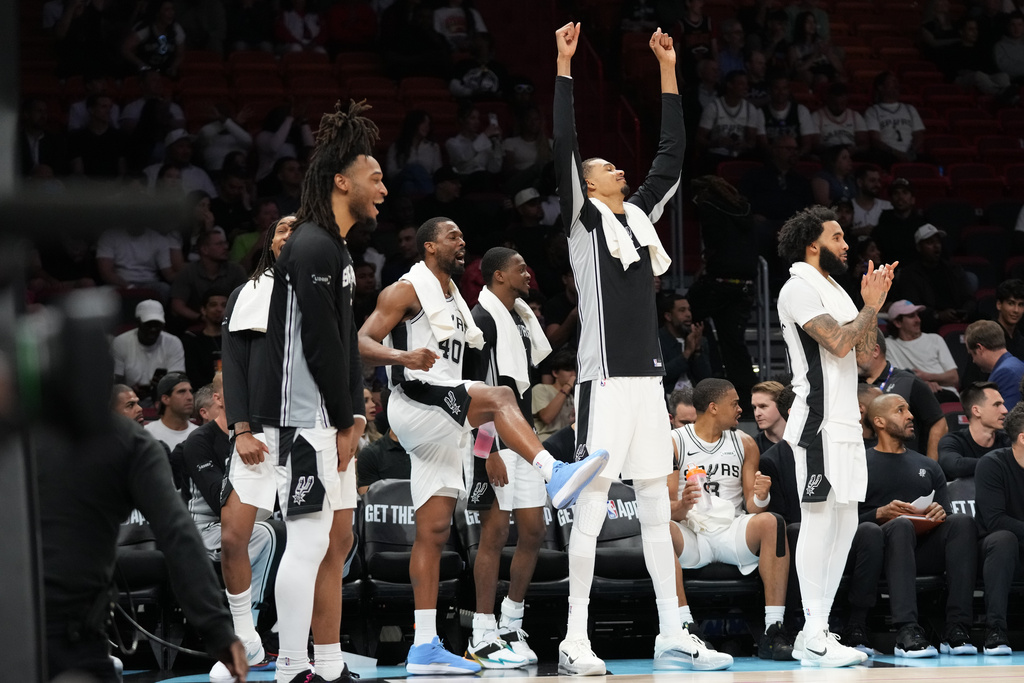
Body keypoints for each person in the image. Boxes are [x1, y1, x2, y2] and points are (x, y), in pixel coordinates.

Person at [357, 216, 609, 674]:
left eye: (462, 235)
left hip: (444, 416)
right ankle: (553, 470)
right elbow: (361, 341)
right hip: (414, 400)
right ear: (429, 246)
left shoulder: (455, 300)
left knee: (433, 531)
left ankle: (424, 647)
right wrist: (402, 355)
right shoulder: (405, 290)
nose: (462, 242)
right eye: (452, 236)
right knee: (500, 398)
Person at [553, 23, 718, 674]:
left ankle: (672, 630)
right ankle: (574, 637)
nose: (617, 168)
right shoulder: (583, 222)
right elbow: (564, 144)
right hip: (603, 382)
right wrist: (564, 65)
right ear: (589, 186)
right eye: (604, 168)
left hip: (649, 383)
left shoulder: (641, 214)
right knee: (592, 512)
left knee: (655, 506)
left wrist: (668, 69)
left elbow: (672, 153)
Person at [252, 100, 384, 683]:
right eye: (374, 177)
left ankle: (327, 665)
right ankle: (289, 668)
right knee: (307, 541)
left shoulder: (335, 247)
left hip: (327, 416)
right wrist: (345, 416)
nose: (383, 188)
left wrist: (352, 414)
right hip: (305, 416)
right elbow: (321, 344)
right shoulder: (310, 245)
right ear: (342, 182)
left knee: (334, 539)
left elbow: (343, 340)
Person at [40, 408, 247, 683]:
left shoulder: (123, 439)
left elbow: (178, 535)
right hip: (71, 630)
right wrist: (218, 630)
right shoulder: (124, 438)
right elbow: (178, 534)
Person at [776, 204, 897, 667]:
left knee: (845, 527)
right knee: (819, 523)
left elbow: (864, 355)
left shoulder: (837, 290)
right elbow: (839, 341)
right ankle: (811, 631)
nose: (847, 245)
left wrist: (871, 307)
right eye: (838, 237)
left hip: (847, 424)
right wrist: (870, 307)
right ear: (813, 245)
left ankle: (819, 631)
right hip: (818, 424)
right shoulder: (797, 288)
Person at [218, 214, 304, 678]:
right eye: (283, 228)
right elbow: (233, 364)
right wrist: (241, 429)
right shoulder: (247, 293)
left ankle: (296, 644)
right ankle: (244, 639)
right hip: (258, 434)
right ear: (270, 242)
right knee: (233, 537)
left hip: (307, 429)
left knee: (312, 543)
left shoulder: (320, 290)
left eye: (298, 228)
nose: (289, 234)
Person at [463, 247, 554, 668]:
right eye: (520, 268)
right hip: (492, 442)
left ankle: (511, 621)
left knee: (534, 531)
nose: (528, 274)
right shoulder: (482, 320)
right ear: (499, 275)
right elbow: (475, 390)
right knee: (495, 534)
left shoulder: (520, 318)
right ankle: (482, 631)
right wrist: (488, 451)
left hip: (523, 437)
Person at [669, 378, 793, 663]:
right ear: (714, 407)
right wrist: (683, 505)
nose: (741, 409)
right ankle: (685, 626)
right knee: (659, 530)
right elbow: (666, 509)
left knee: (772, 522)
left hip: (730, 531)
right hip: (691, 532)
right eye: (735, 403)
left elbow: (753, 507)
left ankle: (773, 630)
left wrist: (761, 496)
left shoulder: (745, 443)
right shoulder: (674, 442)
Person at [758, 385, 884, 656]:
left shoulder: (841, 452)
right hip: (802, 536)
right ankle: (802, 629)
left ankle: (854, 626)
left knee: (867, 531)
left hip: (837, 533)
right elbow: (781, 517)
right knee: (798, 530)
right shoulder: (773, 459)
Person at [860, 393, 980, 658]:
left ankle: (956, 628)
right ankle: (906, 630)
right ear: (879, 421)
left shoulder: (928, 465)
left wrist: (940, 512)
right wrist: (879, 513)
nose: (910, 415)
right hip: (875, 553)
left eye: (909, 410)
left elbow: (946, 515)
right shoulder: (859, 464)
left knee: (961, 523)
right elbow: (844, 522)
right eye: (900, 410)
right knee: (901, 526)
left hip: (922, 551)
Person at [182, 373, 279, 678]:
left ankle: (283, 631)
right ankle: (248, 631)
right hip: (206, 529)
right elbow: (217, 501)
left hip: (254, 521)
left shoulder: (265, 436)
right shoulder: (199, 441)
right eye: (237, 390)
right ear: (218, 398)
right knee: (264, 535)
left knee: (302, 533)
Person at [685, 176, 758, 402]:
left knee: (686, 313)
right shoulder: (743, 208)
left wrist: (705, 265)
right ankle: (746, 395)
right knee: (733, 341)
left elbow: (713, 242)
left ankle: (709, 368)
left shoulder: (708, 207)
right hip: (745, 284)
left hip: (719, 279)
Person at [972, 401, 1024, 656]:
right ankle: (995, 630)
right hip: (995, 551)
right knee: (1004, 539)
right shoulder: (992, 464)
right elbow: (995, 521)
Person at [857, 328, 948, 460]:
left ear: (875, 351)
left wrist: (930, 464)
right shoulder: (852, 384)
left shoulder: (909, 382)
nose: (852, 357)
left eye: (856, 351)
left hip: (905, 463)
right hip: (862, 462)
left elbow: (938, 423)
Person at [897, 224, 974, 331]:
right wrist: (938, 315)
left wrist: (965, 312)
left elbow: (969, 298)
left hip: (959, 320)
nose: (936, 246)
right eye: (930, 243)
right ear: (919, 247)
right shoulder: (909, 274)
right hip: (928, 325)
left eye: (938, 242)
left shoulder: (953, 269)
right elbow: (912, 306)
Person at [110, 300, 186, 402]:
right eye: (148, 324)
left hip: (164, 400)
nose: (153, 329)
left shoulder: (173, 342)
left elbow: (178, 380)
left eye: (157, 324)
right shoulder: (121, 342)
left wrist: (163, 384)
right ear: (138, 323)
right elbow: (116, 380)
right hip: (127, 399)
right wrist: (129, 390)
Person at [884, 299, 960, 401]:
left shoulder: (935, 339)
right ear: (898, 323)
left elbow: (954, 378)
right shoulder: (888, 345)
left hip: (945, 393)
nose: (918, 320)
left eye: (918, 315)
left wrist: (927, 377)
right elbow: (894, 379)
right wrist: (923, 385)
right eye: (912, 316)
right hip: (913, 395)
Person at [171, 231, 248, 325]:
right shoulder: (188, 271)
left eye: (225, 243)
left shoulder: (236, 270)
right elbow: (177, 305)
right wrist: (201, 317)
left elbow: (244, 302)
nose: (225, 247)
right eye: (219, 244)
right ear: (204, 249)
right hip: (196, 323)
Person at [938, 381, 1010, 480]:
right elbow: (953, 466)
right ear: (976, 411)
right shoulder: (953, 441)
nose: (1005, 410)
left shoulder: (1008, 440)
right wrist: (1002, 463)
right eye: (997, 405)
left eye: (1002, 404)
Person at [864, 72, 925, 166]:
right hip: (887, 154)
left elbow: (919, 135)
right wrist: (896, 153)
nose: (896, 84)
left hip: (909, 153)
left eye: (897, 81)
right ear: (880, 87)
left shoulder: (910, 109)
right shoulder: (873, 111)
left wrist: (911, 152)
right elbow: (875, 140)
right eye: (892, 81)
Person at [658, 293, 711, 392]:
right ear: (668, 316)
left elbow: (705, 380)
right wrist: (687, 353)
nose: (688, 314)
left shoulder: (699, 339)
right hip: (668, 397)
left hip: (694, 397)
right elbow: (660, 377)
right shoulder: (657, 341)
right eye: (682, 310)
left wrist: (697, 350)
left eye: (689, 310)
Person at [966, 320, 1024, 410]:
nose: (973, 361)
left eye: (972, 354)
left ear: (979, 348)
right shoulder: (1015, 364)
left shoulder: (1005, 372)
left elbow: (1007, 415)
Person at [872, 178, 926, 268]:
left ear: (913, 199)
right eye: (896, 193)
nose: (900, 197)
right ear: (891, 200)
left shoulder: (922, 226)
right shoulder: (882, 227)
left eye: (905, 192)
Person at [183, 289, 228, 389]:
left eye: (224, 305)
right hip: (204, 393)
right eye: (213, 305)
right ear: (203, 310)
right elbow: (193, 377)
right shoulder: (193, 342)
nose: (219, 309)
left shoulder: (235, 339)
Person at [145, 371, 197, 453]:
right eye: (182, 391)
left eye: (191, 391)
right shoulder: (148, 434)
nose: (190, 397)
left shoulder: (199, 434)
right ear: (166, 399)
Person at [531, 348, 577, 442]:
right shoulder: (541, 389)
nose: (573, 374)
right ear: (555, 373)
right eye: (568, 370)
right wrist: (568, 386)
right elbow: (546, 417)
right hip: (544, 439)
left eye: (575, 370)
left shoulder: (571, 397)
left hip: (565, 440)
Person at [812, 83, 868, 154]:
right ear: (828, 100)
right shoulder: (817, 116)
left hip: (850, 153)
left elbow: (864, 143)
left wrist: (856, 149)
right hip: (828, 153)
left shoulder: (855, 116)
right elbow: (815, 144)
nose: (839, 107)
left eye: (842, 104)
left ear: (846, 100)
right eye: (835, 104)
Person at [850, 166, 892, 237]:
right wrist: (855, 232)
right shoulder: (847, 207)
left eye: (879, 181)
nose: (877, 185)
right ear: (860, 182)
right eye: (872, 181)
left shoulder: (887, 206)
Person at [751, 380, 788, 453]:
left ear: (780, 405)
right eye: (754, 408)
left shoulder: (801, 441)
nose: (757, 413)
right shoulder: (753, 447)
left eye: (763, 406)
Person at [994, 278, 1024, 360]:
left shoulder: (1020, 340)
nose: (1016, 310)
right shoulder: (986, 337)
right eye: (1011, 303)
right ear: (999, 305)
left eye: (1021, 305)